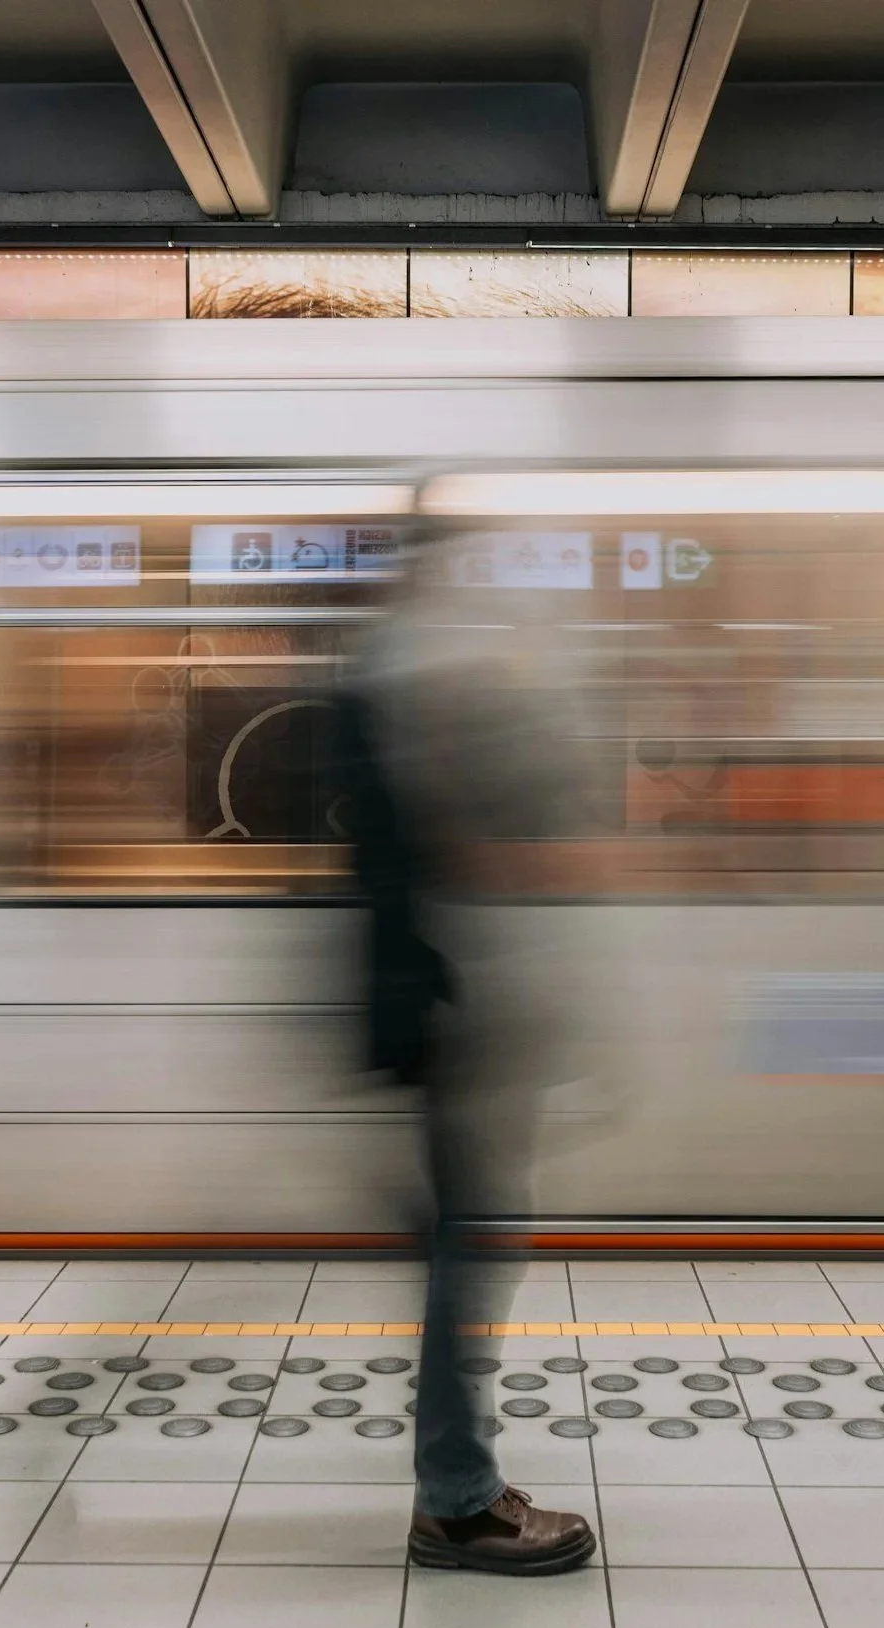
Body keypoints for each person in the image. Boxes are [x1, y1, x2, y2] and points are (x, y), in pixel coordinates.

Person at [331, 534, 598, 1575]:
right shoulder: (409, 672)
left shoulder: (402, 664)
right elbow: (448, 849)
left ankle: (459, 1483)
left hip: (445, 1009)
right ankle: (454, 1499)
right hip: (447, 1014)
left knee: (460, 1244)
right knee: (466, 1247)